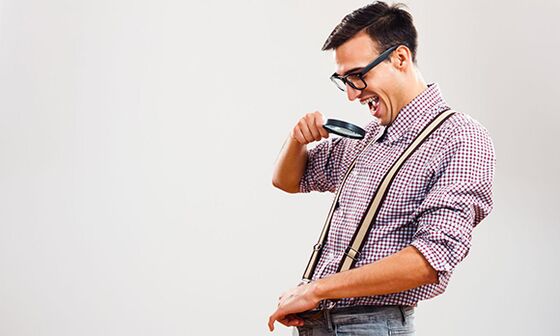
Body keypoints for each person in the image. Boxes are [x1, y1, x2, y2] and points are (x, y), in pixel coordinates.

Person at [267, 2, 496, 335]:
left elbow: (431, 259)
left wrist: (316, 289)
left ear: (400, 58)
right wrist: (296, 140)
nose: (350, 94)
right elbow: (288, 181)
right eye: (343, 80)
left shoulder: (460, 137)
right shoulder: (368, 137)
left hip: (371, 326)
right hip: (319, 325)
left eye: (358, 76)